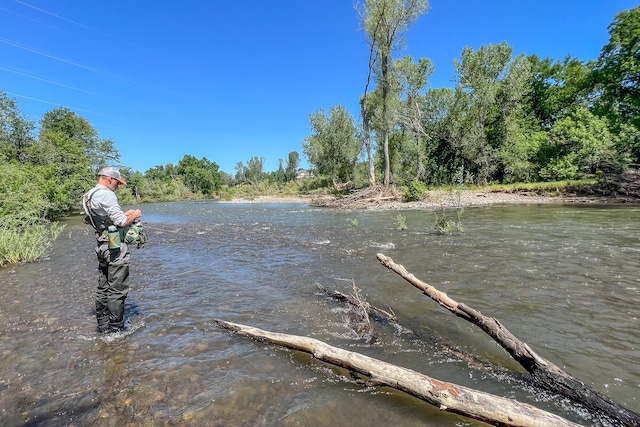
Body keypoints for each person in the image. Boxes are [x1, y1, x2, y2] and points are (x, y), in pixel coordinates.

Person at [82, 167, 142, 333]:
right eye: (117, 182)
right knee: (117, 289)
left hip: (101, 245)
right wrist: (135, 214)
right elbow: (122, 222)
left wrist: (124, 214)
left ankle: (103, 325)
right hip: (114, 247)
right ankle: (116, 329)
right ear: (109, 179)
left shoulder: (89, 195)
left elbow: (106, 219)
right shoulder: (106, 194)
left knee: (103, 287)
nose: (118, 186)